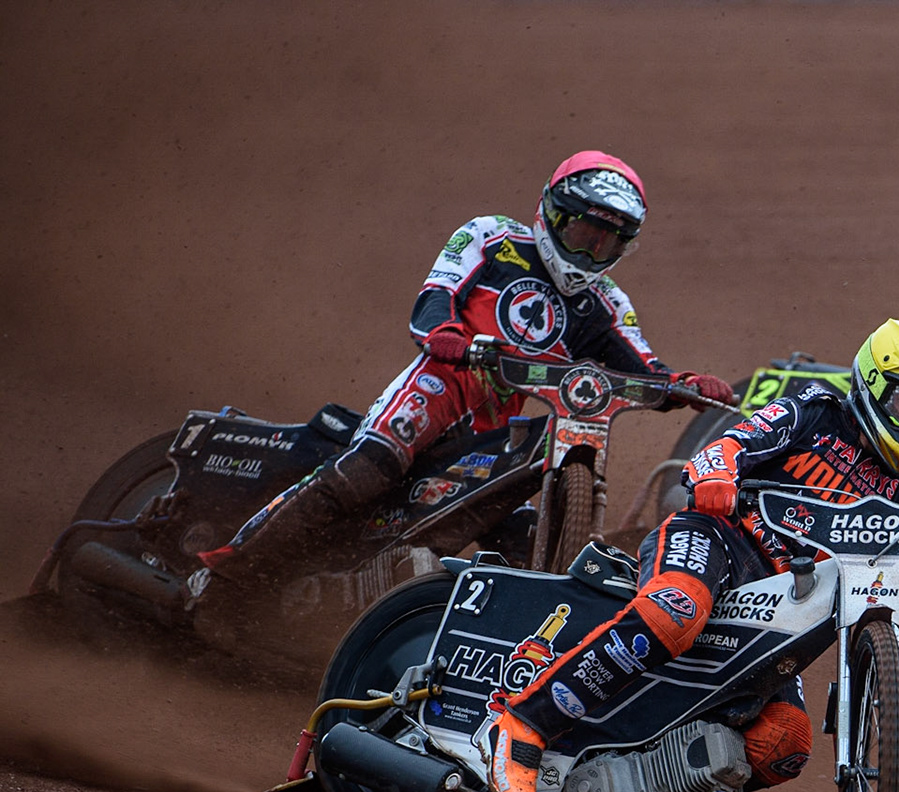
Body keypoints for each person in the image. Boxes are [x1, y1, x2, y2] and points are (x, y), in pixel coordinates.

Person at [479, 319, 899, 792]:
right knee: (674, 612)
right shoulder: (813, 413)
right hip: (719, 539)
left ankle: (656, 788)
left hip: (783, 600)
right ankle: (524, 724)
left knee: (786, 745)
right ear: (874, 385)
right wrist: (718, 478)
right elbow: (722, 449)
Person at [199, 150, 737, 586]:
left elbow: (643, 368)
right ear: (551, 213)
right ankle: (233, 567)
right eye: (583, 235)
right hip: (443, 383)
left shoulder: (607, 303)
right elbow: (435, 298)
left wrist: (684, 386)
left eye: (609, 242)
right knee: (372, 465)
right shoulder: (492, 238)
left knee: (518, 531)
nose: (592, 253)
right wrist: (448, 336)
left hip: (499, 423)